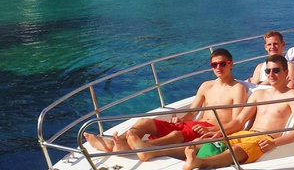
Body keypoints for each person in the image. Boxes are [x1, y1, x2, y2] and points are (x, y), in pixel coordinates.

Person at [84, 49, 248, 161]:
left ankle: (143, 149)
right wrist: (179, 120)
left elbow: (236, 122)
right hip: (190, 125)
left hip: (207, 128)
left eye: (222, 64)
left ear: (231, 64)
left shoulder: (237, 88)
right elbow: (192, 113)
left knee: (175, 136)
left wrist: (212, 131)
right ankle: (115, 142)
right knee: (145, 123)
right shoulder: (206, 85)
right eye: (214, 64)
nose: (218, 67)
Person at [181, 55, 294, 170]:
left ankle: (199, 162)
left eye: (276, 70)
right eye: (268, 71)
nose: (271, 74)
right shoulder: (258, 94)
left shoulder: (293, 97)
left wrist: (275, 143)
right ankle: (164, 152)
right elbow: (239, 121)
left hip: (266, 139)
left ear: (286, 72)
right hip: (245, 134)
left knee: (236, 150)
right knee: (201, 141)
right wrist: (220, 132)